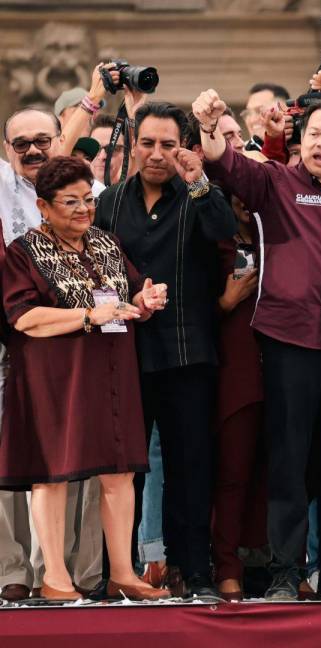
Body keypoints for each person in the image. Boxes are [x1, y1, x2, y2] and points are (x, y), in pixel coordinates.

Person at [194, 90, 321, 601]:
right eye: (315, 134)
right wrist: (210, 125)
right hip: (287, 342)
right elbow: (225, 163)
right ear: (301, 141)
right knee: (288, 459)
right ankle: (285, 573)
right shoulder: (275, 183)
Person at [0, 156, 170, 601]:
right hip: (54, 380)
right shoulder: (24, 251)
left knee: (119, 474)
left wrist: (146, 298)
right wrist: (88, 315)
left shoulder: (104, 243)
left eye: (88, 201)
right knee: (51, 475)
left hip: (114, 376)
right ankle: (55, 577)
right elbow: (24, 318)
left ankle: (122, 574)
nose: (83, 210)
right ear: (42, 205)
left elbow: (130, 291)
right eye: (70, 202)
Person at [94, 102, 235, 601]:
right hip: (123, 354)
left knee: (190, 466)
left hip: (188, 352)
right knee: (123, 469)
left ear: (185, 149)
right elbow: (96, 272)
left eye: (168, 145)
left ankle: (193, 571)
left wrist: (199, 181)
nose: (157, 154)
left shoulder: (199, 195)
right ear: (134, 145)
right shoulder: (109, 202)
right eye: (148, 143)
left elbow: (224, 232)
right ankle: (121, 571)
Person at [1, 107, 104, 603]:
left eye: (43, 140)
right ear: (7, 151)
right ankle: (12, 572)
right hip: (10, 335)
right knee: (11, 461)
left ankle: (66, 575)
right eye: (20, 144)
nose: (32, 151)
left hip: (75, 341)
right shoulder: (2, 189)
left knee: (75, 459)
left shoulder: (89, 195)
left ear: (60, 140)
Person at [210, 187, 265, 601]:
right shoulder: (216, 241)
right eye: (238, 194)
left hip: (284, 368)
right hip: (235, 370)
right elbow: (192, 304)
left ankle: (280, 565)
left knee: (283, 476)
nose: (245, 201)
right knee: (232, 473)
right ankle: (227, 566)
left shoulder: (284, 238)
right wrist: (225, 302)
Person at [242, 82, 290, 150]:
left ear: (283, 110)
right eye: (248, 113)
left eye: (259, 111)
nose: (252, 120)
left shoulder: (303, 147)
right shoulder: (239, 155)